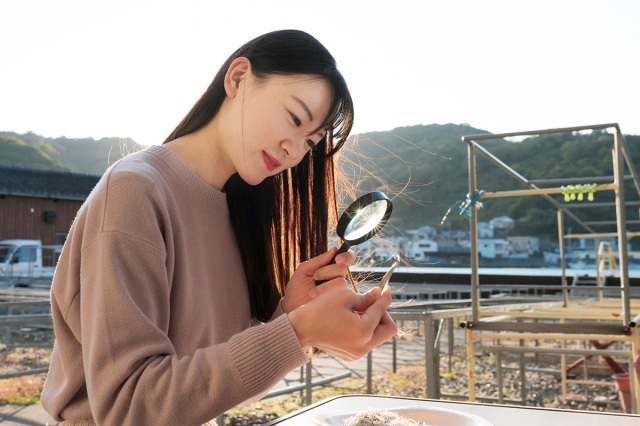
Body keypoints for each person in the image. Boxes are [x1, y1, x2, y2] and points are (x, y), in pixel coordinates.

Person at [41, 29, 397, 425]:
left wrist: (291, 316)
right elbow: (129, 406)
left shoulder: (236, 208)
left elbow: (203, 390)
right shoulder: (134, 191)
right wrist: (297, 332)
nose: (294, 152)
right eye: (295, 118)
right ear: (238, 78)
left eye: (310, 143)